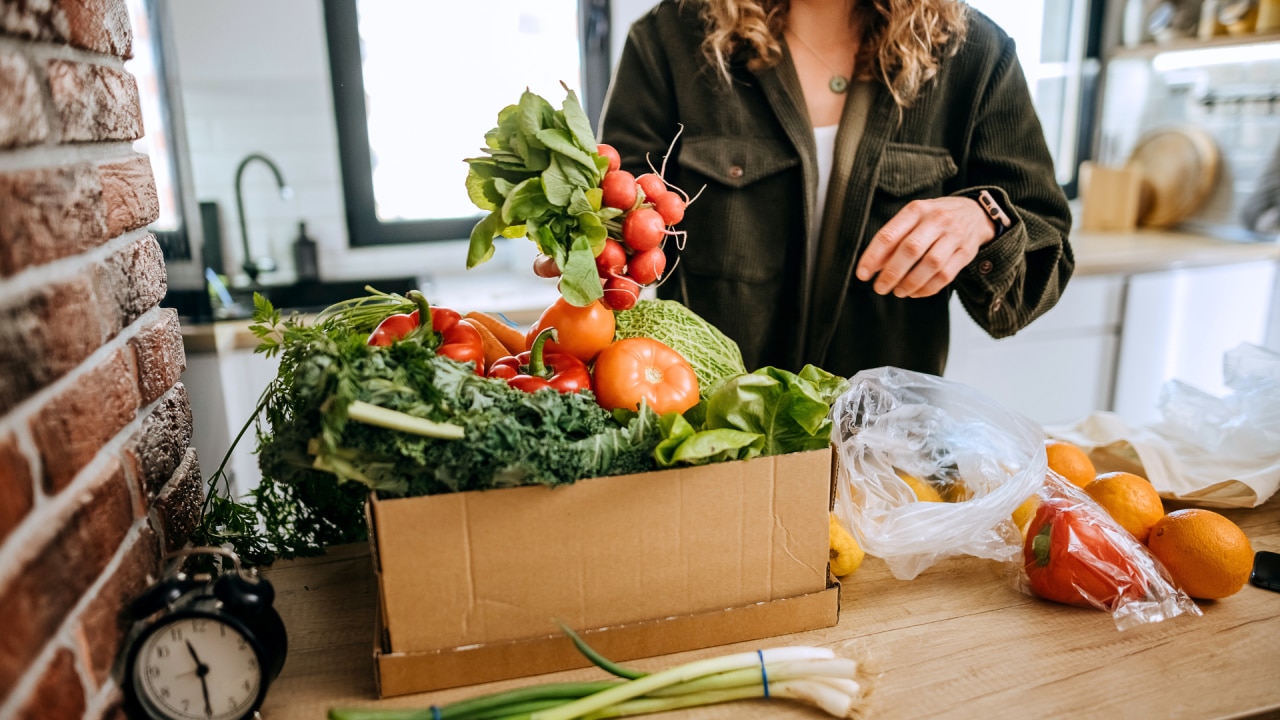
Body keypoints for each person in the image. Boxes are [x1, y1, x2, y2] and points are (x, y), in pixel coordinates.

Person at [599, 0, 1074, 378]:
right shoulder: (671, 39)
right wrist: (583, 234)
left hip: (885, 454)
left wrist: (984, 219)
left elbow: (1039, 266)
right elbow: (617, 236)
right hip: (713, 438)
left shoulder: (975, 55)